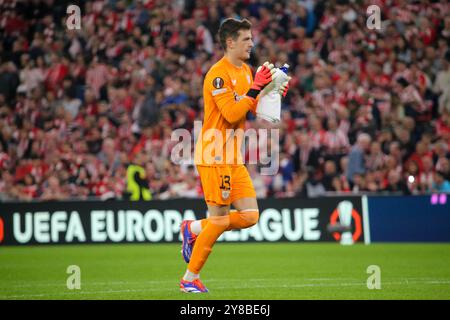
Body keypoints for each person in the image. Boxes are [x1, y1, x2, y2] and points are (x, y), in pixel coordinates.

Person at [178, 18, 290, 293]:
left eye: (251, 39)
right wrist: (255, 90)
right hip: (215, 154)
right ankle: (189, 279)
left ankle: (192, 229)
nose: (252, 43)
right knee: (219, 220)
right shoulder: (218, 74)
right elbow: (231, 113)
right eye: (246, 39)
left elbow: (254, 109)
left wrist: (272, 93)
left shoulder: (246, 71)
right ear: (230, 42)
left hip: (232, 156)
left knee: (251, 215)